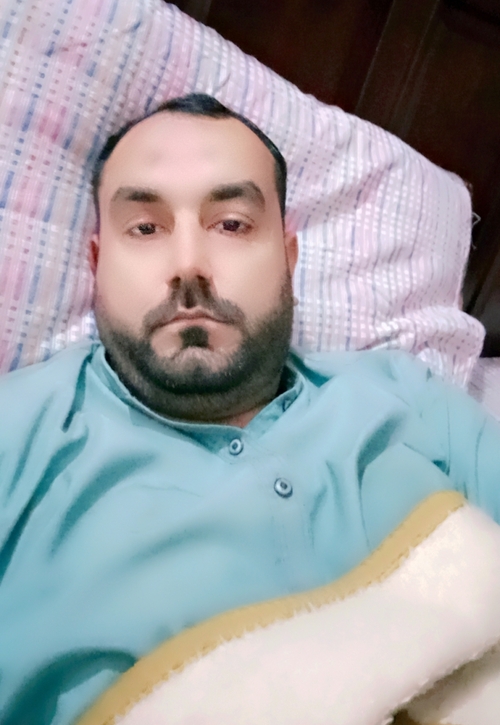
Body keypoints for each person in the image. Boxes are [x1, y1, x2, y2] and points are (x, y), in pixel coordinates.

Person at [1, 93, 500, 725]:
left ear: (289, 259)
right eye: (146, 228)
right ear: (98, 264)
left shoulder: (409, 396)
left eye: (232, 224)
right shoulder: (17, 432)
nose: (188, 265)